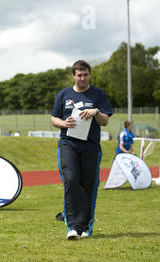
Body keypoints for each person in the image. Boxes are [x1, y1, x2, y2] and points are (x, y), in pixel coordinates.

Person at [51, 60, 113, 240]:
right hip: (68, 144)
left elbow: (105, 121)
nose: (82, 78)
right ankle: (72, 227)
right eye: (79, 75)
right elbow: (54, 119)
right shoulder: (64, 95)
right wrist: (63, 123)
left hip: (91, 146)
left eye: (85, 74)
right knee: (70, 180)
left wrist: (95, 112)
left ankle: (86, 227)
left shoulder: (98, 94)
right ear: (73, 75)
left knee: (89, 185)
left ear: (89, 75)